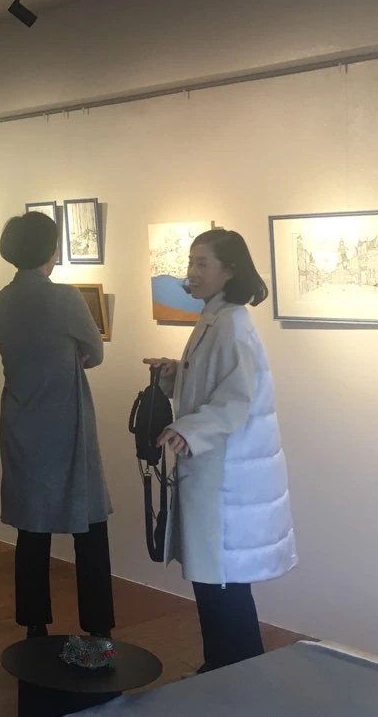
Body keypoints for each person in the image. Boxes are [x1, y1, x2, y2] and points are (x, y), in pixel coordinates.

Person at [144, 228, 296, 674]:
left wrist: (188, 429)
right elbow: (216, 385)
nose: (191, 273)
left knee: (223, 583)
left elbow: (236, 399)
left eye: (201, 263)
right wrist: (175, 373)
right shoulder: (217, 317)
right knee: (215, 582)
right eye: (190, 262)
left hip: (228, 478)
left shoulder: (231, 324)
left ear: (229, 271)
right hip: (217, 470)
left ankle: (238, 674)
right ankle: (222, 671)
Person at [0, 211, 115, 640]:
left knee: (32, 528)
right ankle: (98, 627)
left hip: (21, 418)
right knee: (90, 527)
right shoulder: (64, 298)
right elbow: (95, 351)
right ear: (51, 250)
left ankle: (34, 625)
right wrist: (72, 355)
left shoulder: (2, 301)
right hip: (65, 422)